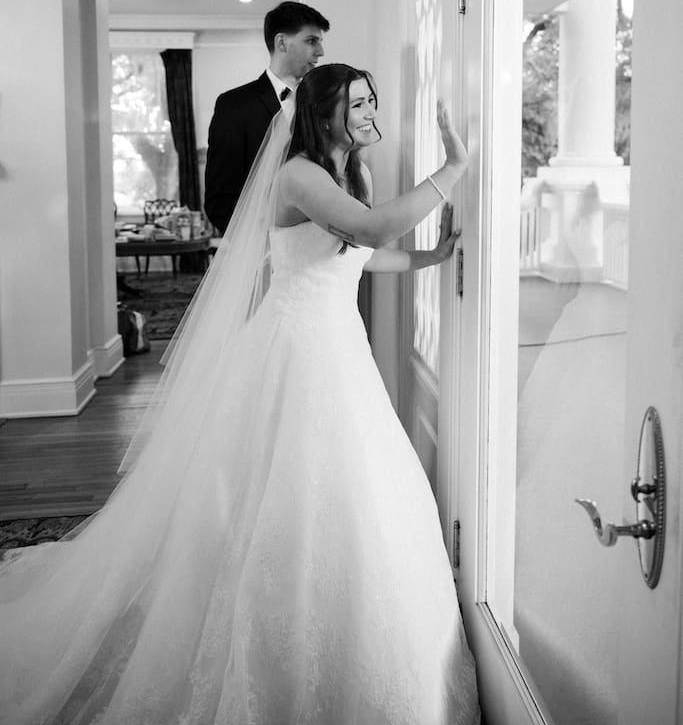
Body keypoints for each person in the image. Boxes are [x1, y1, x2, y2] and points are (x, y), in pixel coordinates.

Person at [0, 64, 479, 725]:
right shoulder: (300, 174)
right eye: (357, 103)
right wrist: (453, 168)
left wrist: (426, 259)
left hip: (338, 348)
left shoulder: (347, 175)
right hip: (297, 353)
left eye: (373, 100)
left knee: (347, 487)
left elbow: (354, 257)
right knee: (286, 490)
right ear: (322, 113)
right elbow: (368, 231)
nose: (371, 113)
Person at [204, 0, 330, 234]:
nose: (320, 52)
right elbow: (219, 203)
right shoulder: (234, 106)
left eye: (320, 42)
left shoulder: (325, 104)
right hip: (262, 256)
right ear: (281, 42)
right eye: (311, 41)